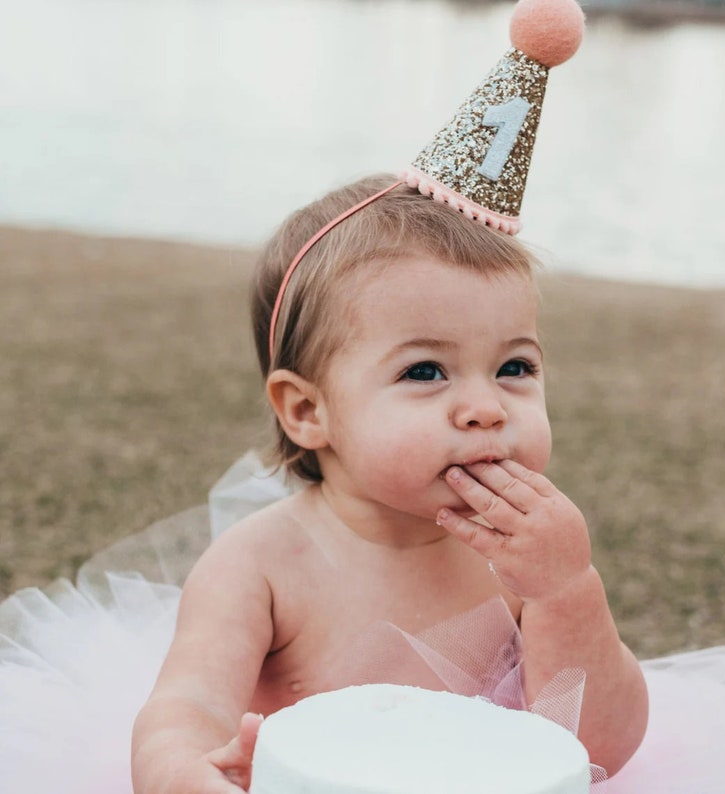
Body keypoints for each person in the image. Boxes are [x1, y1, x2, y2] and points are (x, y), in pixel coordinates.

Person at [130, 173, 649, 793]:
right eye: (425, 370)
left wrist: (567, 590)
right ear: (306, 411)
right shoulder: (261, 565)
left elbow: (598, 751)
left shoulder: (524, 561)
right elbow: (186, 711)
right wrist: (181, 773)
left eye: (514, 366)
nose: (486, 407)